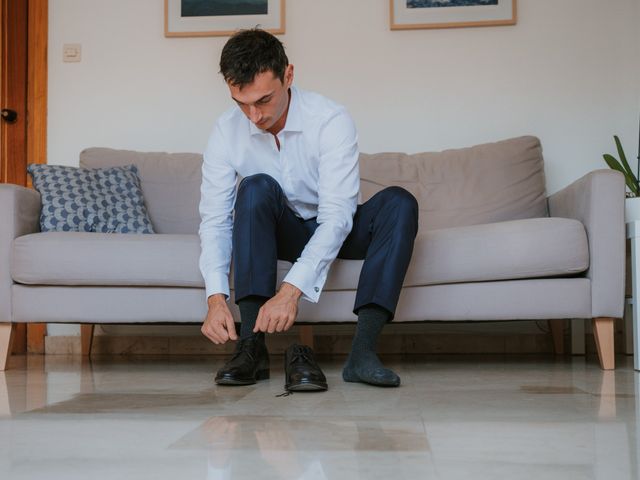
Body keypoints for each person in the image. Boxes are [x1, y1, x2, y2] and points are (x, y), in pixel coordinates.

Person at [199, 28, 418, 390]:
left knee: (399, 202)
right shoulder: (225, 131)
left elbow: (337, 217)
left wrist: (290, 292)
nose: (253, 116)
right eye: (241, 103)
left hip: (335, 230)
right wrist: (215, 298)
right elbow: (215, 220)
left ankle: (363, 354)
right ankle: (251, 350)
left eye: (264, 100)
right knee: (254, 187)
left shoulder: (330, 119)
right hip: (279, 232)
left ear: (288, 76)